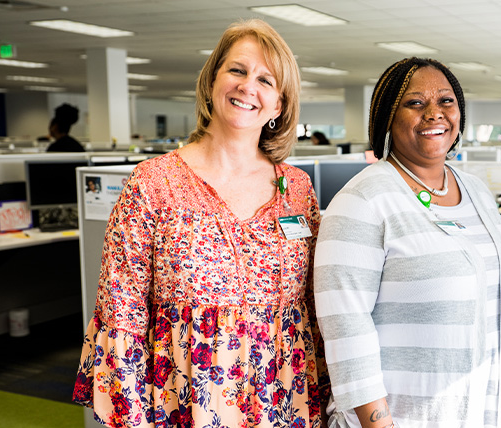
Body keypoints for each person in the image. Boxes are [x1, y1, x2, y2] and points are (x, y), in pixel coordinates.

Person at [72, 19, 329, 427]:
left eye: (266, 79)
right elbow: (122, 312)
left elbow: (314, 309)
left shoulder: (295, 187)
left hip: (284, 400)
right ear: (212, 81)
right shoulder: (153, 182)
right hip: (184, 402)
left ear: (279, 105)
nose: (248, 87)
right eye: (237, 70)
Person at [314, 57, 501, 428]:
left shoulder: (475, 190)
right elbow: (346, 327)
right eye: (415, 103)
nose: (435, 113)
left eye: (446, 101)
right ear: (387, 118)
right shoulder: (363, 200)